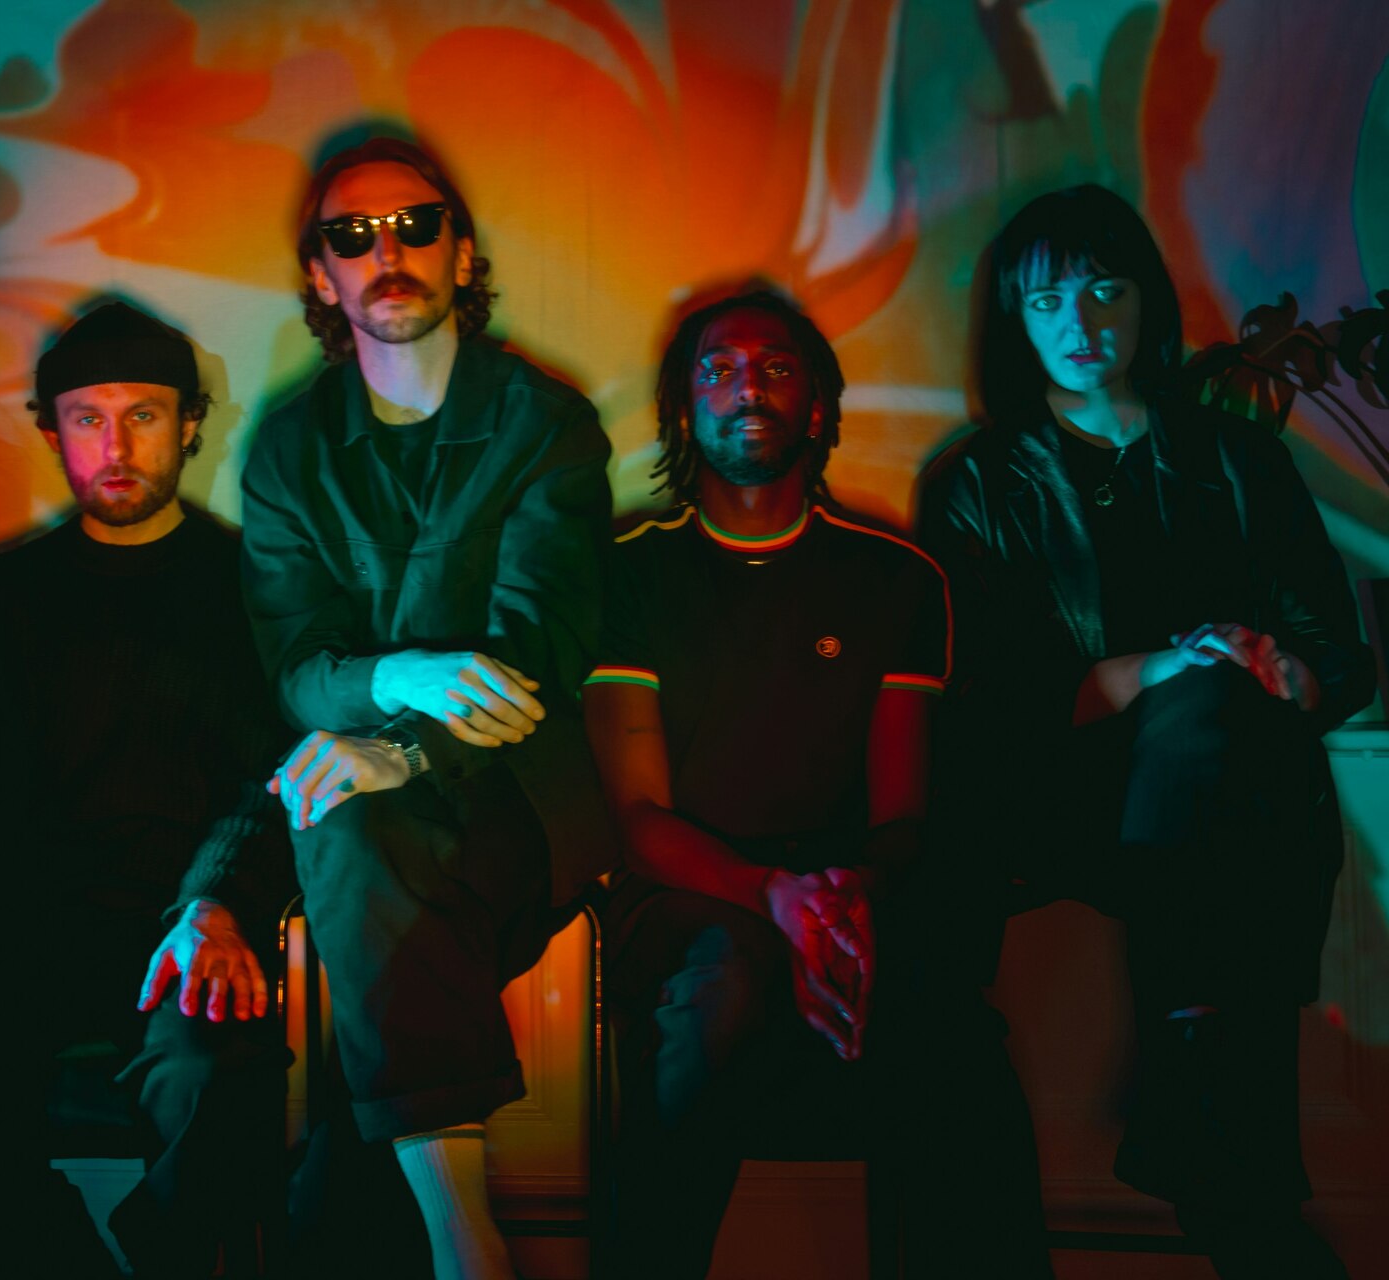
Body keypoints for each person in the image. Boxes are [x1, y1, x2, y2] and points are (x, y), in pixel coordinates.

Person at [916, 183, 1373, 1279]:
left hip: (1228, 785)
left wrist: (1282, 667)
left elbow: (1338, 651)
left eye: (1105, 290)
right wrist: (1162, 667)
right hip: (1062, 798)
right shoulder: (978, 480)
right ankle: (1232, 1175)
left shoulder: (1238, 458)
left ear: (1145, 302)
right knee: (1205, 716)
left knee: (1220, 722)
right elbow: (986, 696)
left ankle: (1211, 1136)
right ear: (1015, 321)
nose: (1082, 323)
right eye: (1048, 301)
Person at [585, 285, 1050, 1278]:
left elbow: (902, 815)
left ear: (819, 409)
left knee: (951, 1033)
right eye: (718, 370)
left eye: (776, 368)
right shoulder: (626, 572)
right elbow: (639, 817)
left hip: (846, 890)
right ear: (683, 411)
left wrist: (847, 900)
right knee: (721, 982)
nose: (747, 386)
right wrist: (769, 896)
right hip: (687, 894)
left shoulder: (899, 578)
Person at [0, 302, 294, 1279]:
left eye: (144, 415)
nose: (116, 446)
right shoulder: (4, 597)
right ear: (52, 431)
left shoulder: (252, 588)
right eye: (89, 418)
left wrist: (216, 903)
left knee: (215, 1075)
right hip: (24, 936)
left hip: (185, 932)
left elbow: (274, 774)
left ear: (190, 424)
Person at [240, 136, 615, 1280]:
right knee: (347, 824)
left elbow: (539, 652)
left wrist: (398, 749)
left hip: (519, 805)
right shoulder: (288, 449)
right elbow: (295, 664)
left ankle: (438, 1240)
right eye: (352, 237)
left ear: (461, 254)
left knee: (354, 829)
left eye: (415, 225)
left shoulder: (546, 423)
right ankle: (465, 1238)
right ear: (321, 277)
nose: (386, 252)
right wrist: (396, 681)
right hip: (362, 812)